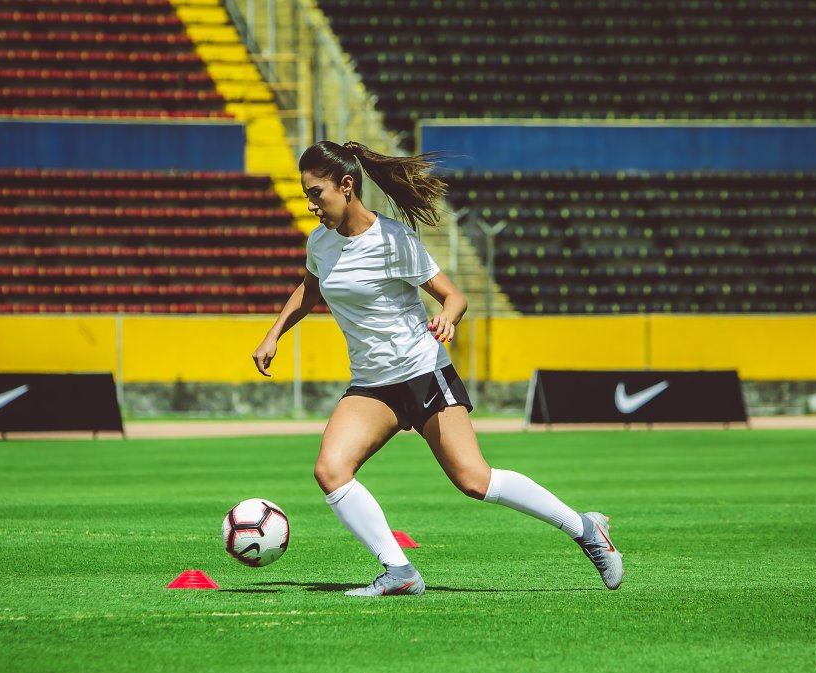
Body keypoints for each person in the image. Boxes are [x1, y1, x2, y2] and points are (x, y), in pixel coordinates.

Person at [252, 140, 622, 596]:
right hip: (373, 385)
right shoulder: (320, 243)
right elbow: (310, 290)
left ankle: (585, 528)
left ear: (346, 186)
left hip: (424, 373)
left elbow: (454, 296)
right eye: (305, 194)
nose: (310, 204)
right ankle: (400, 572)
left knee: (474, 480)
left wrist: (447, 316)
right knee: (331, 470)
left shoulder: (392, 240)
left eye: (316, 193)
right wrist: (274, 334)